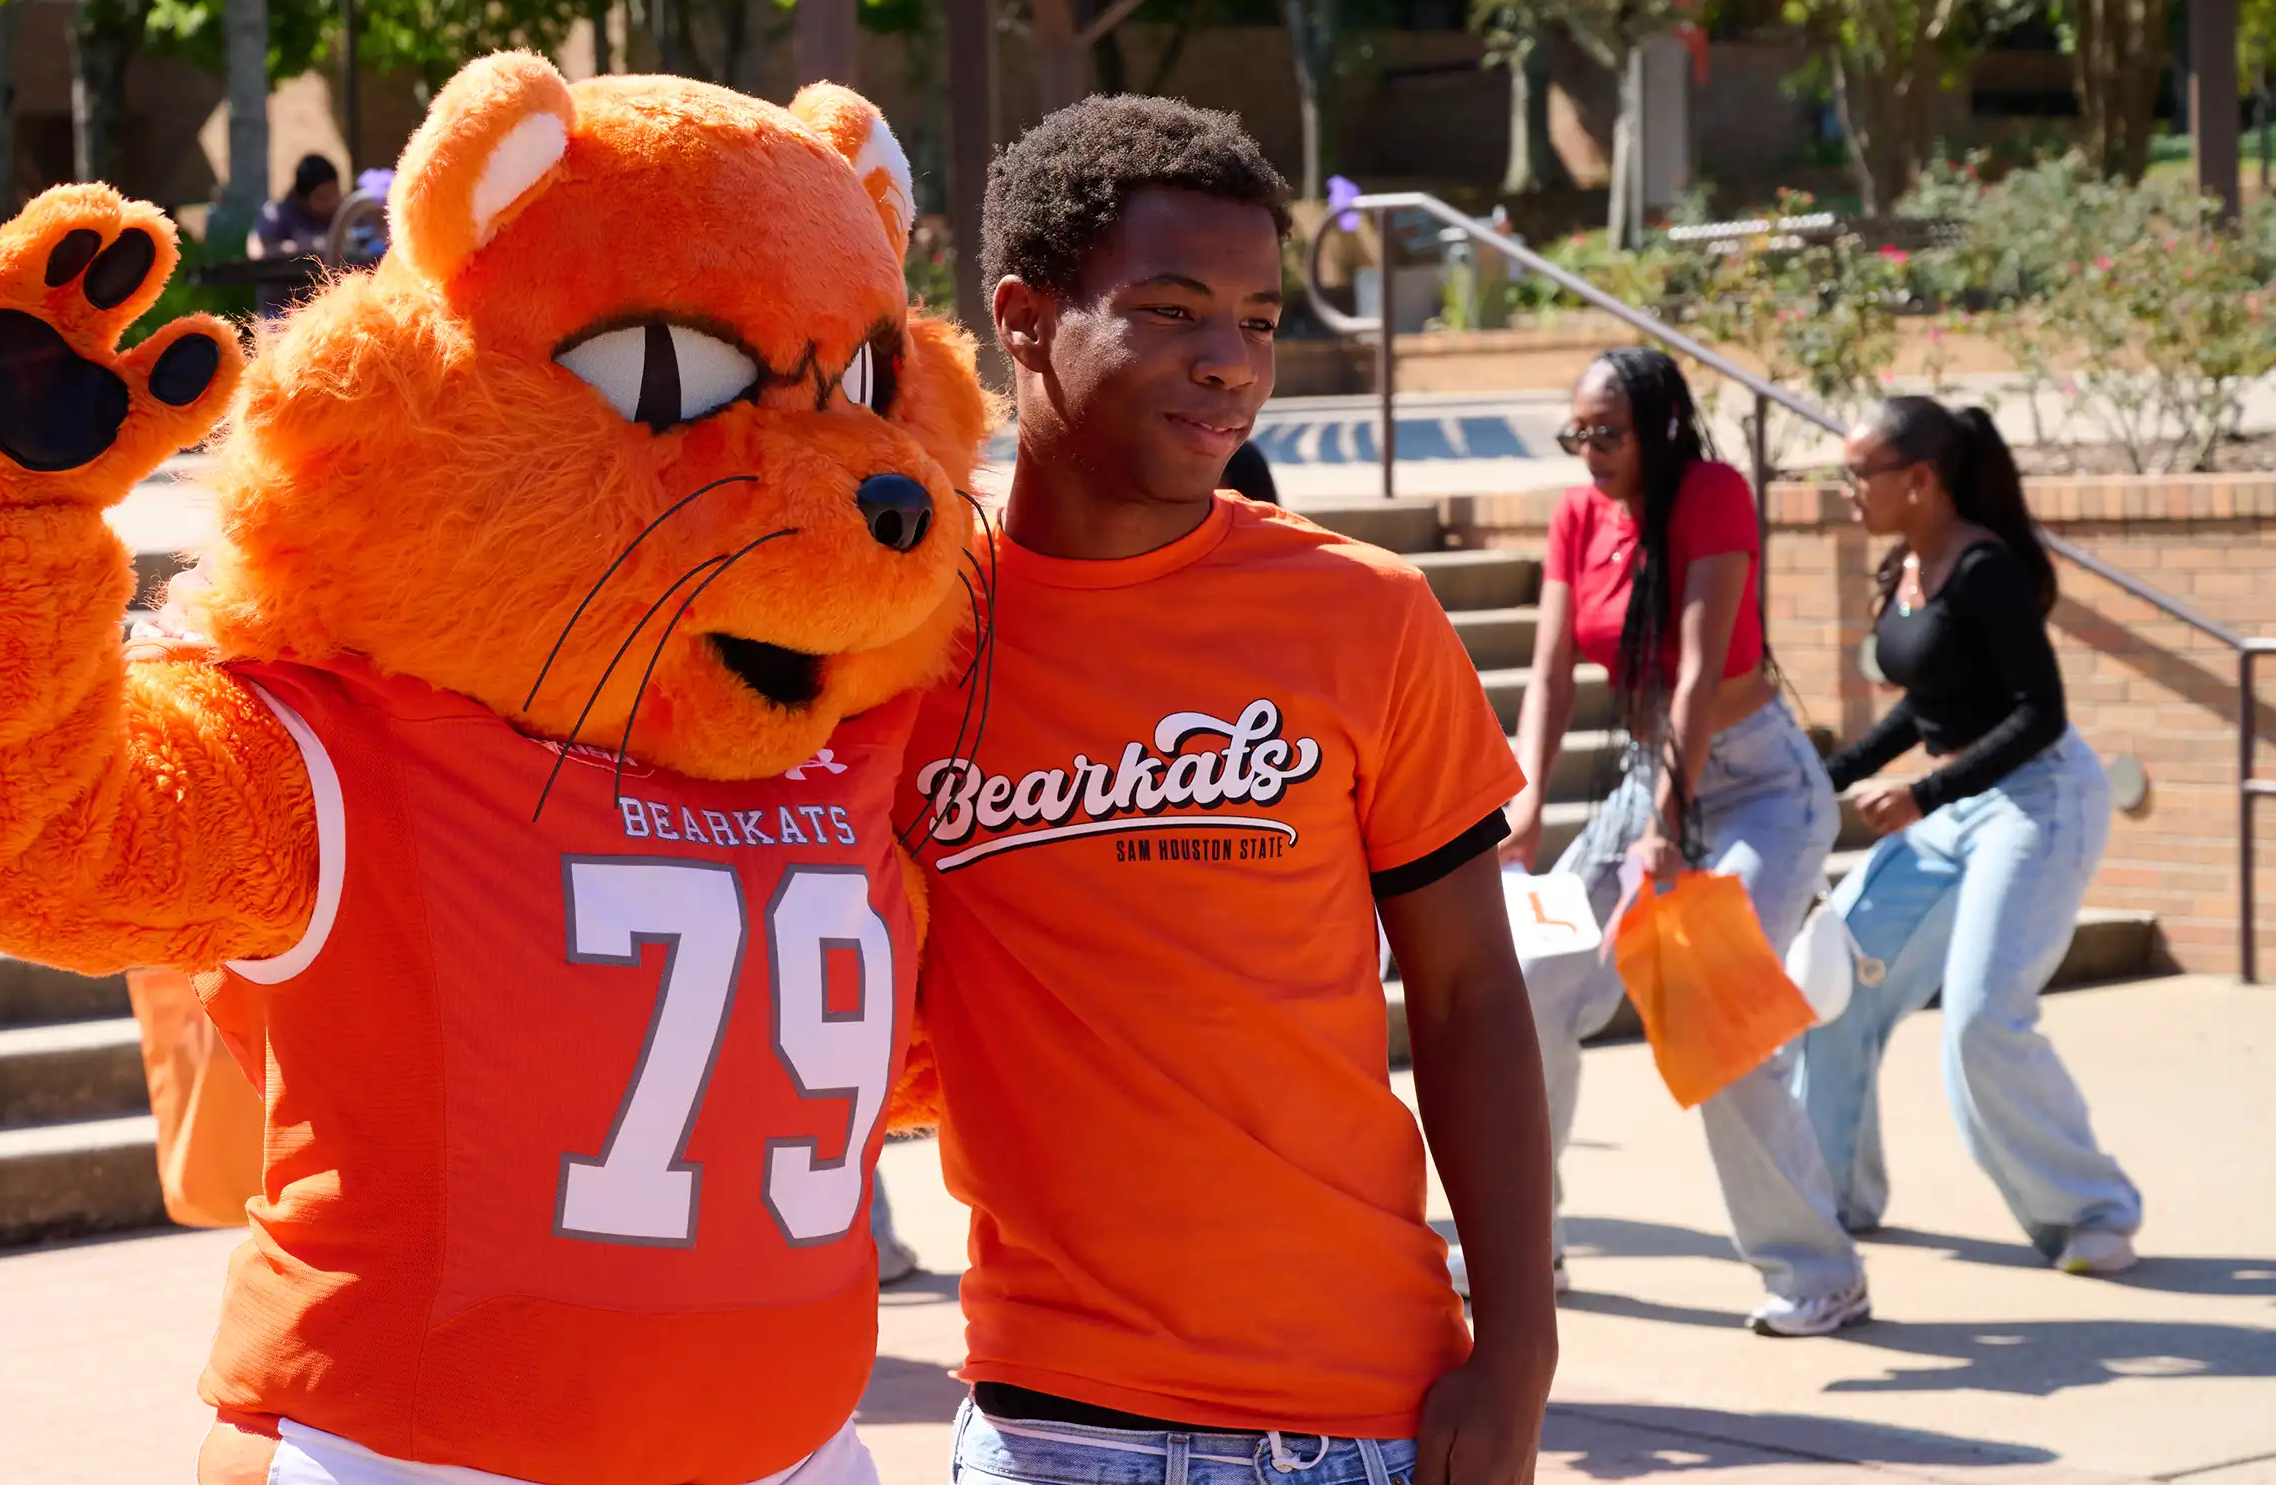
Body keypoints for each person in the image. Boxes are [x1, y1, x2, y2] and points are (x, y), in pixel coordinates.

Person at [903, 95, 1556, 1485]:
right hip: (1051, 1425)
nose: (1228, 364)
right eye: (1173, 309)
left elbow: (1469, 997)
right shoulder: (907, 642)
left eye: (1258, 322)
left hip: (1361, 1418)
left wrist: (1519, 1361)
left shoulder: (1365, 616)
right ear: (1024, 318)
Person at [1471, 345, 1872, 1337]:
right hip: (1649, 777)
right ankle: (1529, 1249)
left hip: (1759, 787)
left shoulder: (1711, 494)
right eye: (1577, 435)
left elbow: (1697, 673)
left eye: (1607, 432)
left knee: (1709, 1010)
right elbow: (1553, 676)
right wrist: (1520, 806)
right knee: (1533, 983)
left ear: (1659, 425)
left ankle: (1819, 1272)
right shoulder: (1576, 516)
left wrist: (1665, 826)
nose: (1590, 452)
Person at [1796, 397, 2142, 1275]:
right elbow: (1928, 704)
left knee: (1983, 1018)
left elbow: (2040, 713)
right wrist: (1818, 782)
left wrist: (1924, 791)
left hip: (2035, 803)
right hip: (1950, 810)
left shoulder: (1983, 568)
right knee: (1833, 995)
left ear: (1919, 479)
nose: (1846, 491)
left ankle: (2091, 1212)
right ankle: (1833, 1198)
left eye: (1857, 474)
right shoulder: (1907, 563)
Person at [248, 154, 346, 314]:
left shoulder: (343, 212)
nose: (331, 202)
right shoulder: (276, 214)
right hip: (282, 310)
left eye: (334, 194)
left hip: (329, 307)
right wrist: (305, 246)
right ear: (302, 197)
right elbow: (257, 251)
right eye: (322, 197)